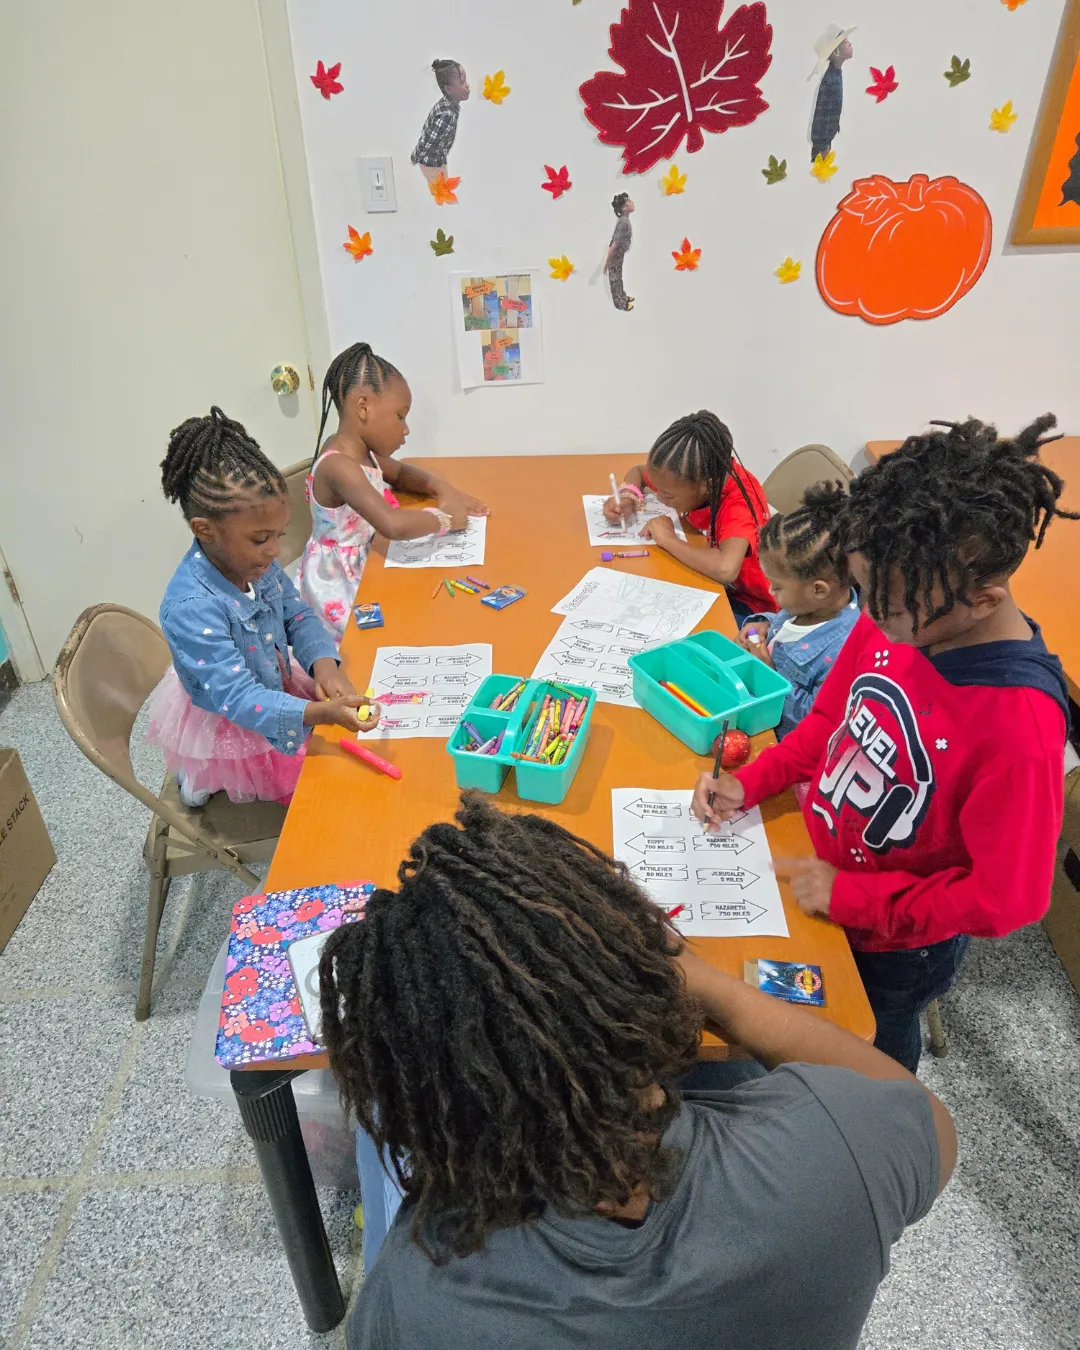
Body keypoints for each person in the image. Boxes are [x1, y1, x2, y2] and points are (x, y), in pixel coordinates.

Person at [319, 794, 955, 1350]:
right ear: (644, 987)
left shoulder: (415, 1307)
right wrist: (711, 988)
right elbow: (927, 1122)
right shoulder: (844, 1155)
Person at [694, 415, 1076, 1071]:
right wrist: (750, 782)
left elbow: (1008, 898)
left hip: (896, 942)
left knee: (873, 1043)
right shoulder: (900, 614)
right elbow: (824, 727)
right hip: (822, 874)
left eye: (885, 604)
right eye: (863, 592)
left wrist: (852, 897)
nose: (867, 618)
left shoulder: (1018, 725)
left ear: (981, 598)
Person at [146, 407, 378, 806]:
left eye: (279, 535)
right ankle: (203, 772)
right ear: (204, 530)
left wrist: (324, 663)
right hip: (233, 709)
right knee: (318, 785)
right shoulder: (190, 608)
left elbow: (296, 614)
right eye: (260, 539)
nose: (275, 550)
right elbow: (238, 699)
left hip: (265, 677)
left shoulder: (257, 564)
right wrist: (318, 714)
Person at [298, 343, 487, 642]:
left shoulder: (361, 452)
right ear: (363, 407)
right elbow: (392, 524)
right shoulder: (339, 466)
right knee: (400, 630)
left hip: (368, 561)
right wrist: (446, 518)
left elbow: (400, 473)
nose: (406, 429)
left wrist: (443, 488)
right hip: (339, 584)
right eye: (400, 416)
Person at [603, 411, 772, 621]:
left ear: (706, 486)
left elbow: (726, 569)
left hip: (751, 604)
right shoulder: (689, 476)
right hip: (712, 580)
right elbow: (637, 472)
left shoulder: (738, 503)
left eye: (668, 495)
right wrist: (629, 495)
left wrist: (667, 539)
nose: (659, 497)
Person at [738, 481, 859, 738]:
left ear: (818, 590)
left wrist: (768, 676)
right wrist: (761, 623)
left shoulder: (843, 653)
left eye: (777, 587)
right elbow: (785, 626)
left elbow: (811, 720)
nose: (770, 592)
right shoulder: (808, 606)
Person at [412, 59, 469, 184]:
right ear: (449, 89)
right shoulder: (446, 115)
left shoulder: (449, 105)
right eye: (462, 81)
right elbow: (427, 141)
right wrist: (415, 157)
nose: (467, 85)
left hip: (438, 159)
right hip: (432, 163)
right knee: (439, 190)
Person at [809, 24, 855, 162]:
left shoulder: (836, 74)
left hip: (828, 136)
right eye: (846, 43)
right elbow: (821, 114)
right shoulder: (830, 80)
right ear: (836, 52)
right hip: (823, 141)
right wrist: (822, 145)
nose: (850, 44)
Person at [605, 192, 635, 311]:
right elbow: (615, 242)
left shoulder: (624, 220)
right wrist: (608, 260)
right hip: (615, 255)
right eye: (629, 201)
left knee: (618, 277)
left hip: (619, 254)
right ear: (624, 208)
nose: (632, 202)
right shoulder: (623, 222)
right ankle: (620, 303)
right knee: (615, 279)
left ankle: (622, 296)